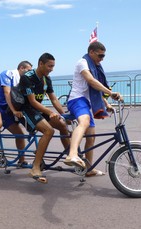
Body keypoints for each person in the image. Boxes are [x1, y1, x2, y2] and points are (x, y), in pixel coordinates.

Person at [64, 41, 120, 176]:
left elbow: (94, 90)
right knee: (84, 122)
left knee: (91, 137)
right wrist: (110, 92)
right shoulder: (82, 62)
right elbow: (90, 81)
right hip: (76, 99)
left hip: (86, 102)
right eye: (100, 56)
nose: (102, 59)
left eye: (103, 57)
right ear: (91, 52)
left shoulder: (95, 66)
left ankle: (88, 169)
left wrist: (106, 103)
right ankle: (72, 154)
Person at [18, 53, 70, 184]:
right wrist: (49, 112)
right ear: (40, 63)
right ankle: (35, 168)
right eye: (49, 66)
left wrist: (63, 115)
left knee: (63, 125)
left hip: (39, 109)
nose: (51, 69)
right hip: (26, 109)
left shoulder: (47, 79)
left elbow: (53, 99)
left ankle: (71, 156)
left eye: (53, 66)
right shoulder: (27, 78)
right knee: (49, 131)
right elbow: (33, 102)